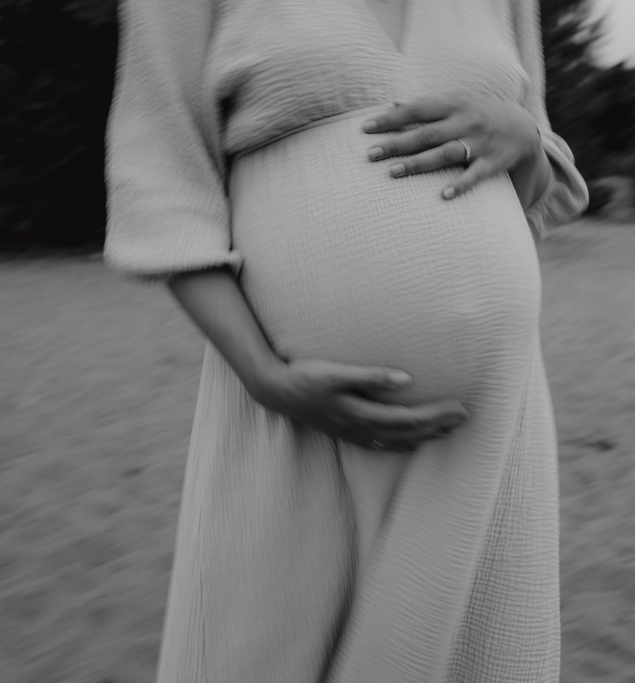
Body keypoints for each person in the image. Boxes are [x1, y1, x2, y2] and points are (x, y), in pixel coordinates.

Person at [104, 0, 589, 680]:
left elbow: (530, 188)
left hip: (486, 427)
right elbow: (162, 176)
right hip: (293, 417)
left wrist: (525, 138)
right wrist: (261, 371)